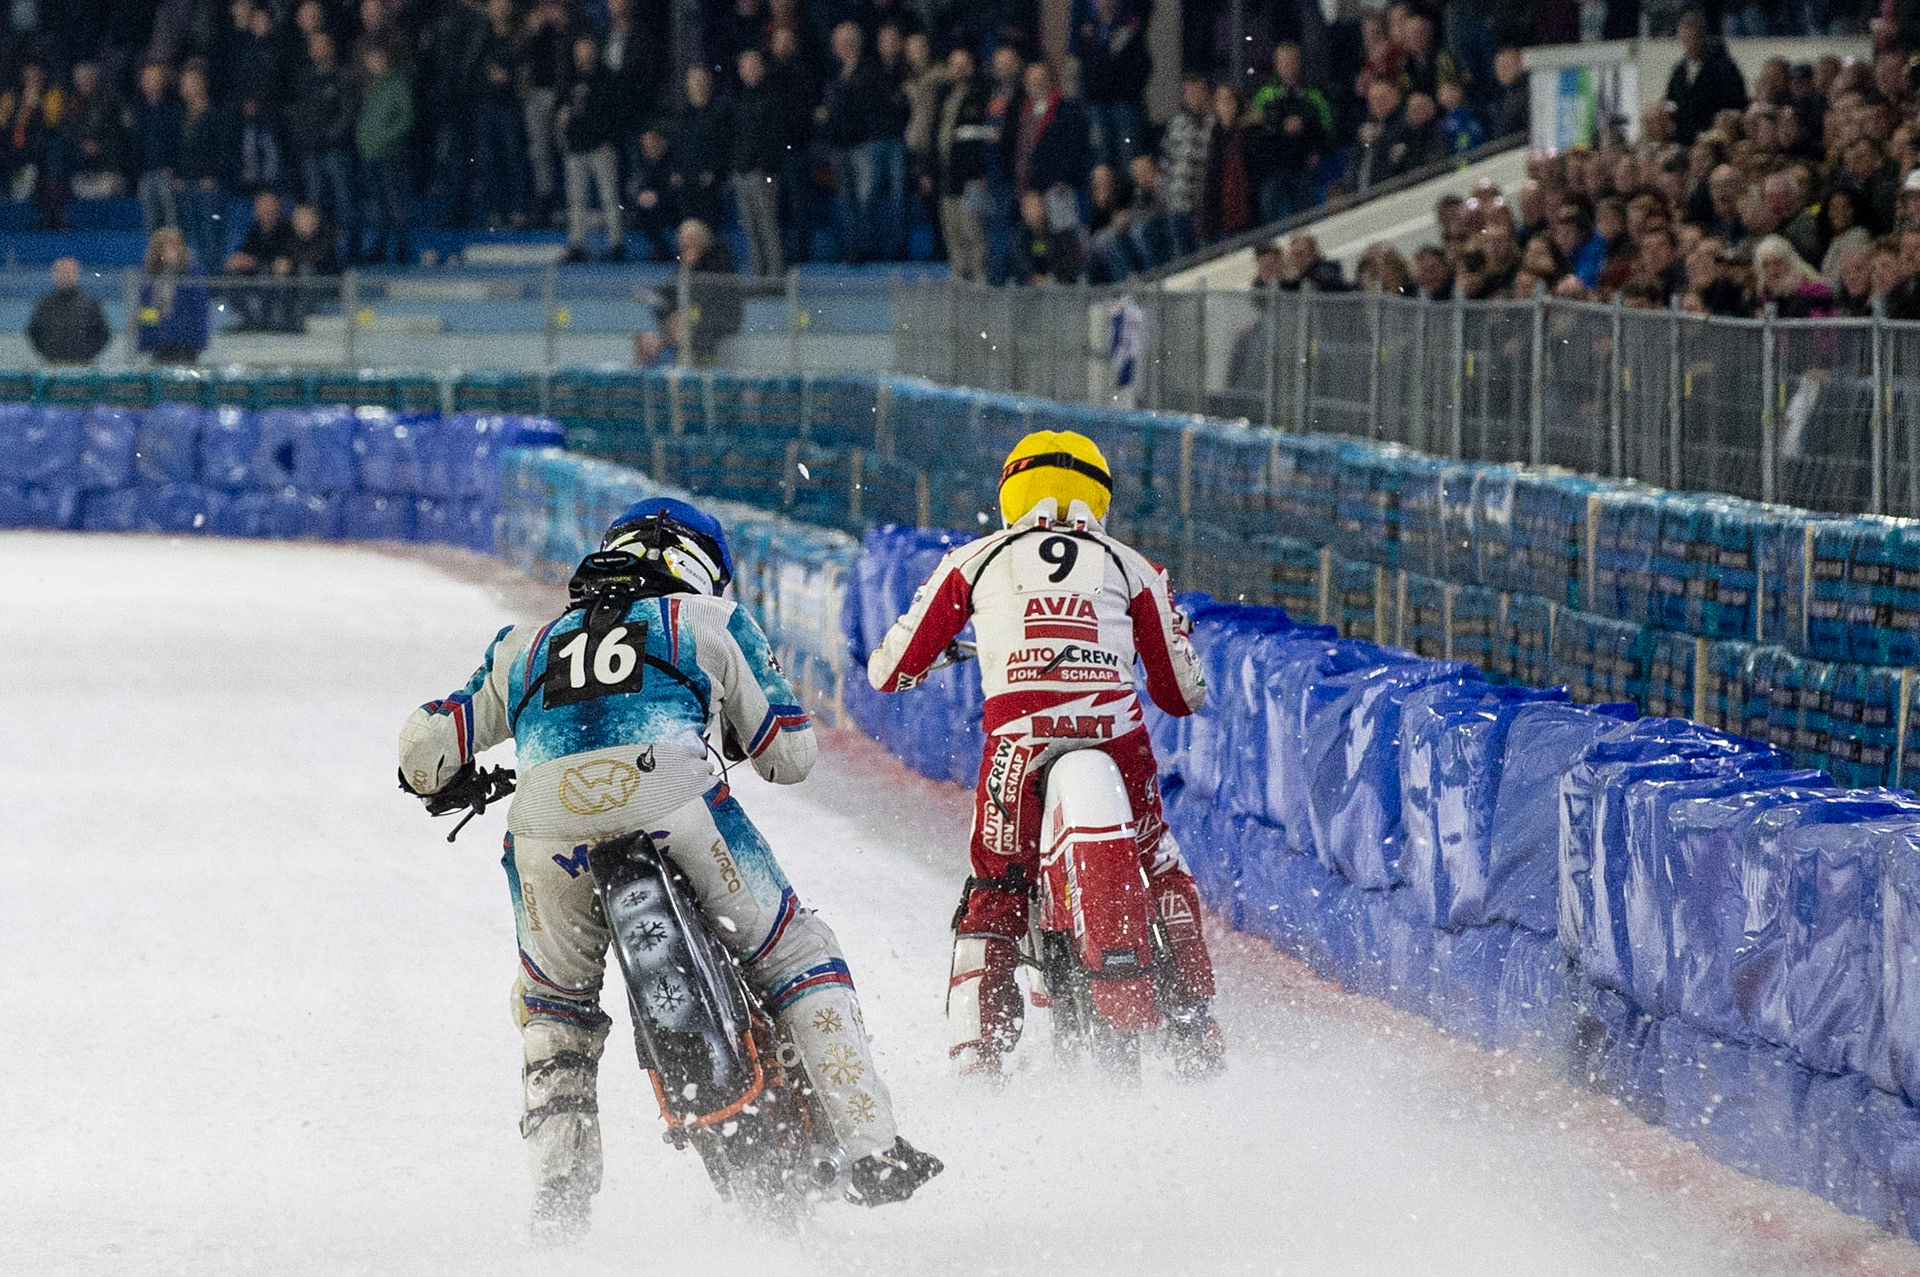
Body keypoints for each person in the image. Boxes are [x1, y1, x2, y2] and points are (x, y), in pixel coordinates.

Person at [398, 498, 942, 1241]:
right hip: (674, 798)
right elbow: (790, 756)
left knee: (554, 1009)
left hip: (545, 824)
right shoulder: (709, 622)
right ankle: (875, 1145)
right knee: (795, 951)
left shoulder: (521, 647)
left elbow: (424, 746)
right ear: (702, 571)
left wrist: (442, 779)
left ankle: (560, 1197)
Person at [865, 432, 1221, 1079]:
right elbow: (1183, 692)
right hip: (1115, 736)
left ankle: (979, 1051)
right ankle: (1197, 1018)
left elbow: (890, 666)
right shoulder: (1130, 565)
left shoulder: (976, 557)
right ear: (1099, 499)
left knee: (997, 882)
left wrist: (913, 667)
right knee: (1158, 856)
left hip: (1020, 742)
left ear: (1010, 494)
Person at [557, 36, 626, 264]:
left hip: (600, 145)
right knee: (577, 199)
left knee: (609, 196)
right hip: (576, 146)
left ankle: (616, 244)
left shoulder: (606, 77)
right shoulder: (569, 77)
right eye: (579, 50)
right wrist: (563, 118)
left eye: (586, 49)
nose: (582, 55)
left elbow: (614, 110)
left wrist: (609, 137)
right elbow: (561, 106)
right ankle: (577, 244)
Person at [728, 48, 785, 276]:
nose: (748, 71)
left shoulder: (772, 97)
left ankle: (774, 277)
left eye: (752, 66)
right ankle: (759, 276)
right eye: (744, 67)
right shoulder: (739, 99)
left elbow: (774, 138)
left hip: (762, 173)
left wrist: (768, 171)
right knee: (751, 229)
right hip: (741, 172)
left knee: (768, 228)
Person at [355, 44, 414, 265]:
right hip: (369, 154)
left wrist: (384, 138)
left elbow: (406, 118)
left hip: (390, 154)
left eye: (378, 58)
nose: (375, 63)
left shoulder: (397, 84)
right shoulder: (369, 86)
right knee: (377, 205)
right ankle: (379, 247)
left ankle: (401, 249)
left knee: (394, 203)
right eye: (371, 59)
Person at [1664, 10, 1748, 146]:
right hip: (1684, 136)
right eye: (1685, 40)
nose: (1689, 45)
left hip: (1713, 135)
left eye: (1693, 38)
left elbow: (1735, 102)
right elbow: (1671, 99)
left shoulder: (1724, 67)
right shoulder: (1680, 71)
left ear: (1701, 37)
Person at [137, 226, 210, 365]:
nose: (168, 252)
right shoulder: (151, 277)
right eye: (163, 248)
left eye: (172, 247)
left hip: (185, 343)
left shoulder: (191, 275)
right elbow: (147, 310)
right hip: (160, 343)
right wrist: (147, 339)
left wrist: (199, 341)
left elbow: (199, 310)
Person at [225, 191, 295, 331]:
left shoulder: (287, 228)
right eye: (261, 205)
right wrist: (239, 260)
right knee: (230, 276)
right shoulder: (254, 230)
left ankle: (271, 321)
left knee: (268, 272)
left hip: (282, 277)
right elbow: (248, 254)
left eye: (268, 205)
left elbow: (287, 257)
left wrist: (257, 262)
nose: (265, 209)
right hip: (257, 273)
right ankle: (249, 320)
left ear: (277, 207)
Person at [27, 257, 111, 365]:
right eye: (62, 272)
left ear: (77, 275)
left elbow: (103, 334)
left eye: (69, 272)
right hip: (52, 366)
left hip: (82, 366)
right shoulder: (44, 305)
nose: (65, 276)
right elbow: (34, 332)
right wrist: (47, 353)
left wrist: (87, 355)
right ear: (54, 275)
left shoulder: (91, 304)